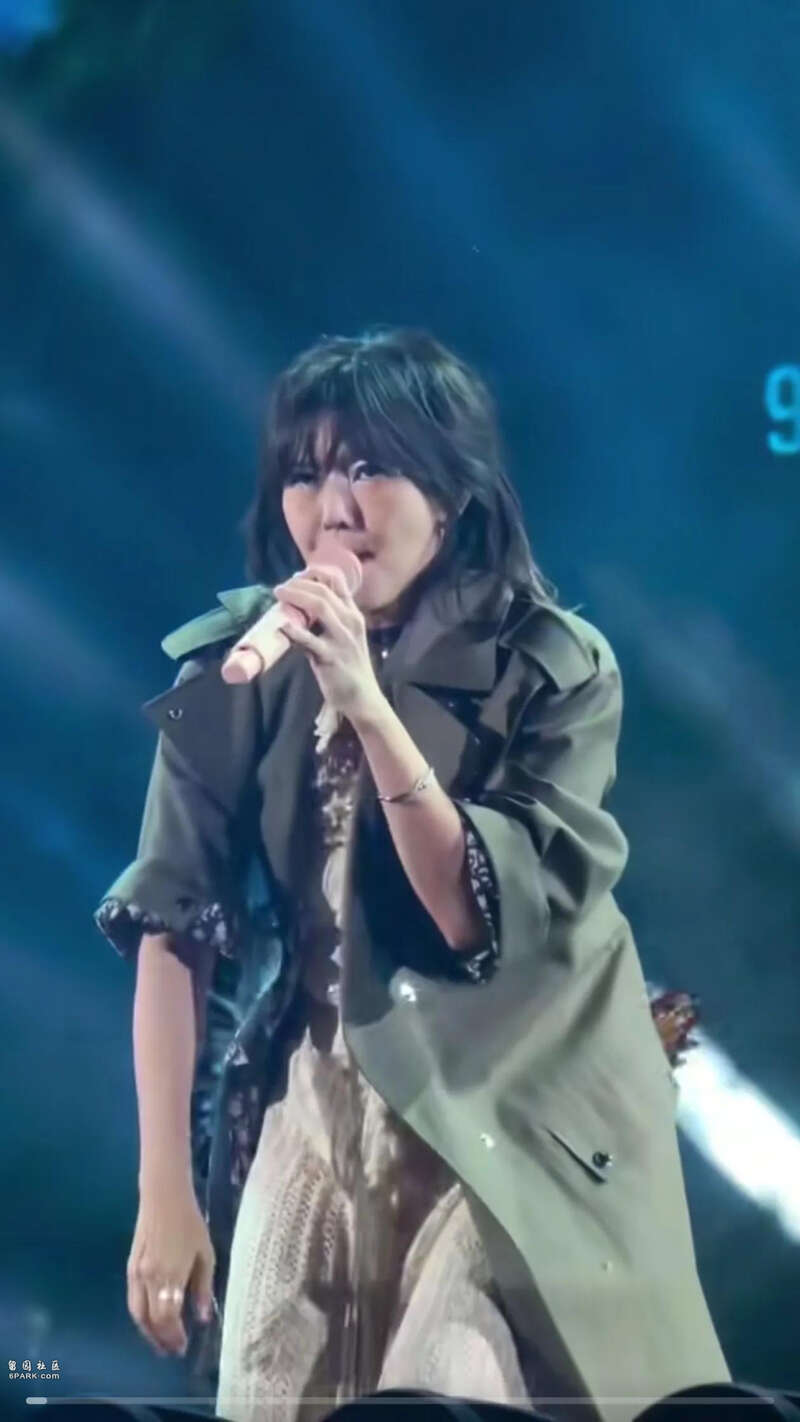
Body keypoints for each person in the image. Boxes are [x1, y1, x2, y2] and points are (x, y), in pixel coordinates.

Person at [93, 327, 730, 1422]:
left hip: (510, 1100)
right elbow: (172, 919)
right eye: (305, 474)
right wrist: (164, 1192)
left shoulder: (553, 666)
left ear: (453, 495)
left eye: (369, 467)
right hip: (321, 1091)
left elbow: (472, 918)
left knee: (442, 1391)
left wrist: (367, 705)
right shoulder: (231, 669)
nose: (332, 508)